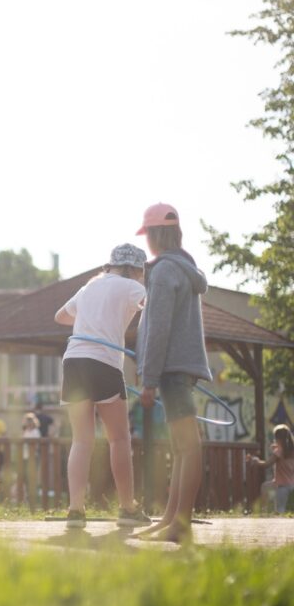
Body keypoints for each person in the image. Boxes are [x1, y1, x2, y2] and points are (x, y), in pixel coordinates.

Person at [55, 243, 150, 529]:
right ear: (135, 269)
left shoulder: (89, 287)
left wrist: (91, 318)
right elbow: (155, 309)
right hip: (104, 362)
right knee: (119, 439)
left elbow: (60, 316)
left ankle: (75, 510)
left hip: (73, 361)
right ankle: (127, 507)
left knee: (81, 440)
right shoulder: (131, 287)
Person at [134, 202, 212, 544]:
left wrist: (148, 380)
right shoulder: (183, 268)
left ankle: (181, 524)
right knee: (182, 448)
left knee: (188, 446)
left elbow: (160, 329)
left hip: (171, 369)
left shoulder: (165, 272)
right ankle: (170, 518)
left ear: (153, 235)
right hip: (182, 368)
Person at [247, 425, 294, 514]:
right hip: (291, 485)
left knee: (280, 510)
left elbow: (266, 464)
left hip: (282, 487)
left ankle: (264, 510)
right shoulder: (291, 451)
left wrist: (256, 461)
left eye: (275, 438)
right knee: (265, 486)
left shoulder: (278, 452)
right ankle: (265, 509)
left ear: (279, 439)